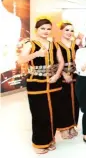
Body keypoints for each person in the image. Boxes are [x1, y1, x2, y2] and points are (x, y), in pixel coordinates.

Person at [17, 17, 64, 154]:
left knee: (54, 112)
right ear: (36, 30)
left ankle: (51, 139)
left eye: (48, 29)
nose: (46, 31)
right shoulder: (30, 44)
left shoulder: (55, 45)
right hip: (36, 83)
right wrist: (36, 54)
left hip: (54, 82)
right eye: (43, 28)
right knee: (40, 114)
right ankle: (39, 143)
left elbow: (60, 62)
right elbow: (20, 60)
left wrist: (57, 75)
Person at [54, 21, 80, 139]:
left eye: (71, 30)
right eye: (67, 30)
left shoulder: (75, 45)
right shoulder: (56, 45)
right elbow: (53, 63)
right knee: (62, 103)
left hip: (75, 77)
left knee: (74, 102)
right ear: (61, 31)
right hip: (61, 77)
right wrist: (64, 74)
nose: (69, 33)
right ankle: (63, 128)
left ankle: (72, 126)